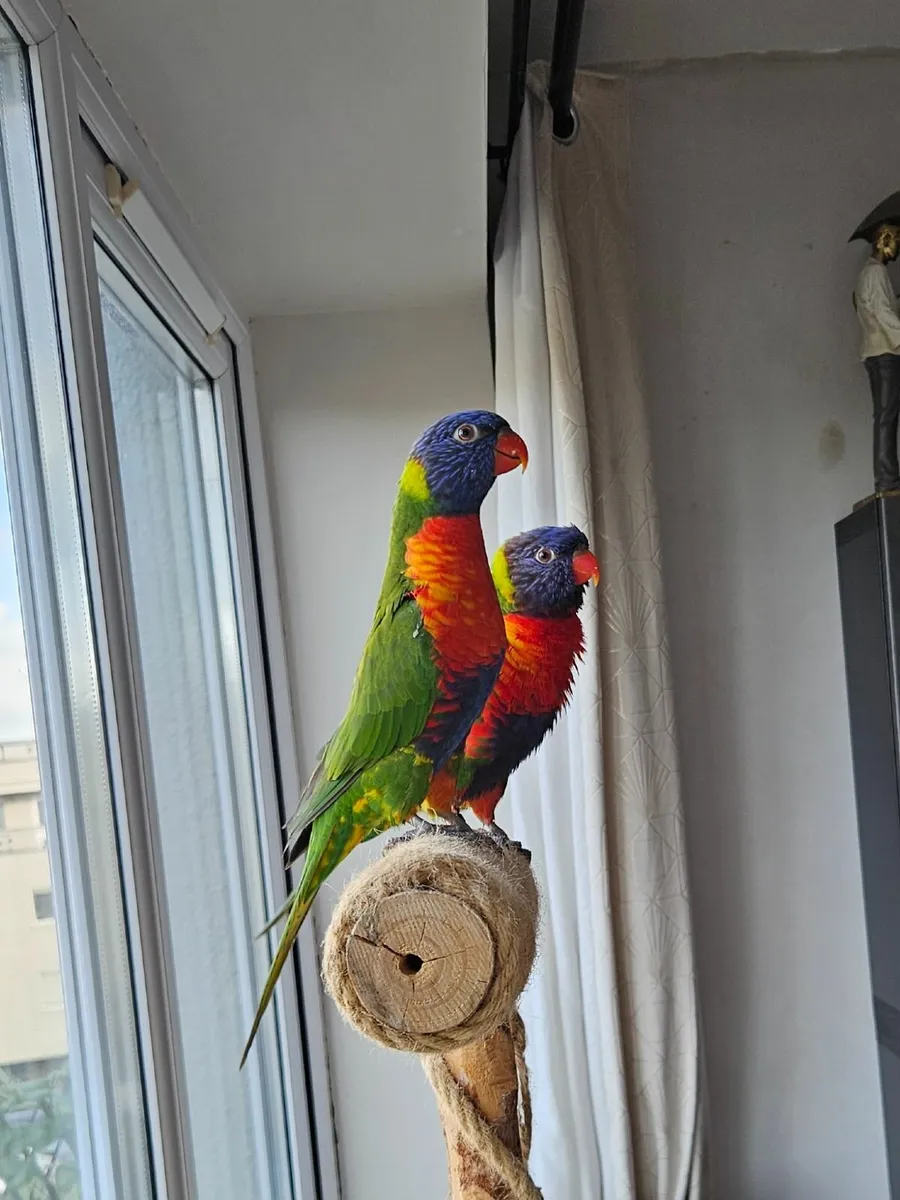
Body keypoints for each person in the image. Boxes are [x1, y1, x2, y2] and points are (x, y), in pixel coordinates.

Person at [855, 222, 900, 493]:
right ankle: (887, 478)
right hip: (884, 352)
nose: (898, 246)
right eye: (896, 239)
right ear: (884, 240)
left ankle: (888, 476)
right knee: (886, 416)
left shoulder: (869, 274)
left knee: (887, 415)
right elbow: (883, 313)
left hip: (877, 351)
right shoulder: (876, 272)